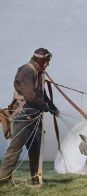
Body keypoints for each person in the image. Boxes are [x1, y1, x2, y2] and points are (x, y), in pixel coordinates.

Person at [0, 48, 59, 186]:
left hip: (34, 116)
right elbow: (31, 97)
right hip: (22, 115)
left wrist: (53, 108)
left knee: (35, 149)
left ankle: (35, 178)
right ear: (41, 60)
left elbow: (40, 95)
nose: (48, 65)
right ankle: (2, 179)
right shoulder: (26, 71)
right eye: (47, 61)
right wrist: (46, 107)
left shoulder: (38, 73)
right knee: (15, 148)